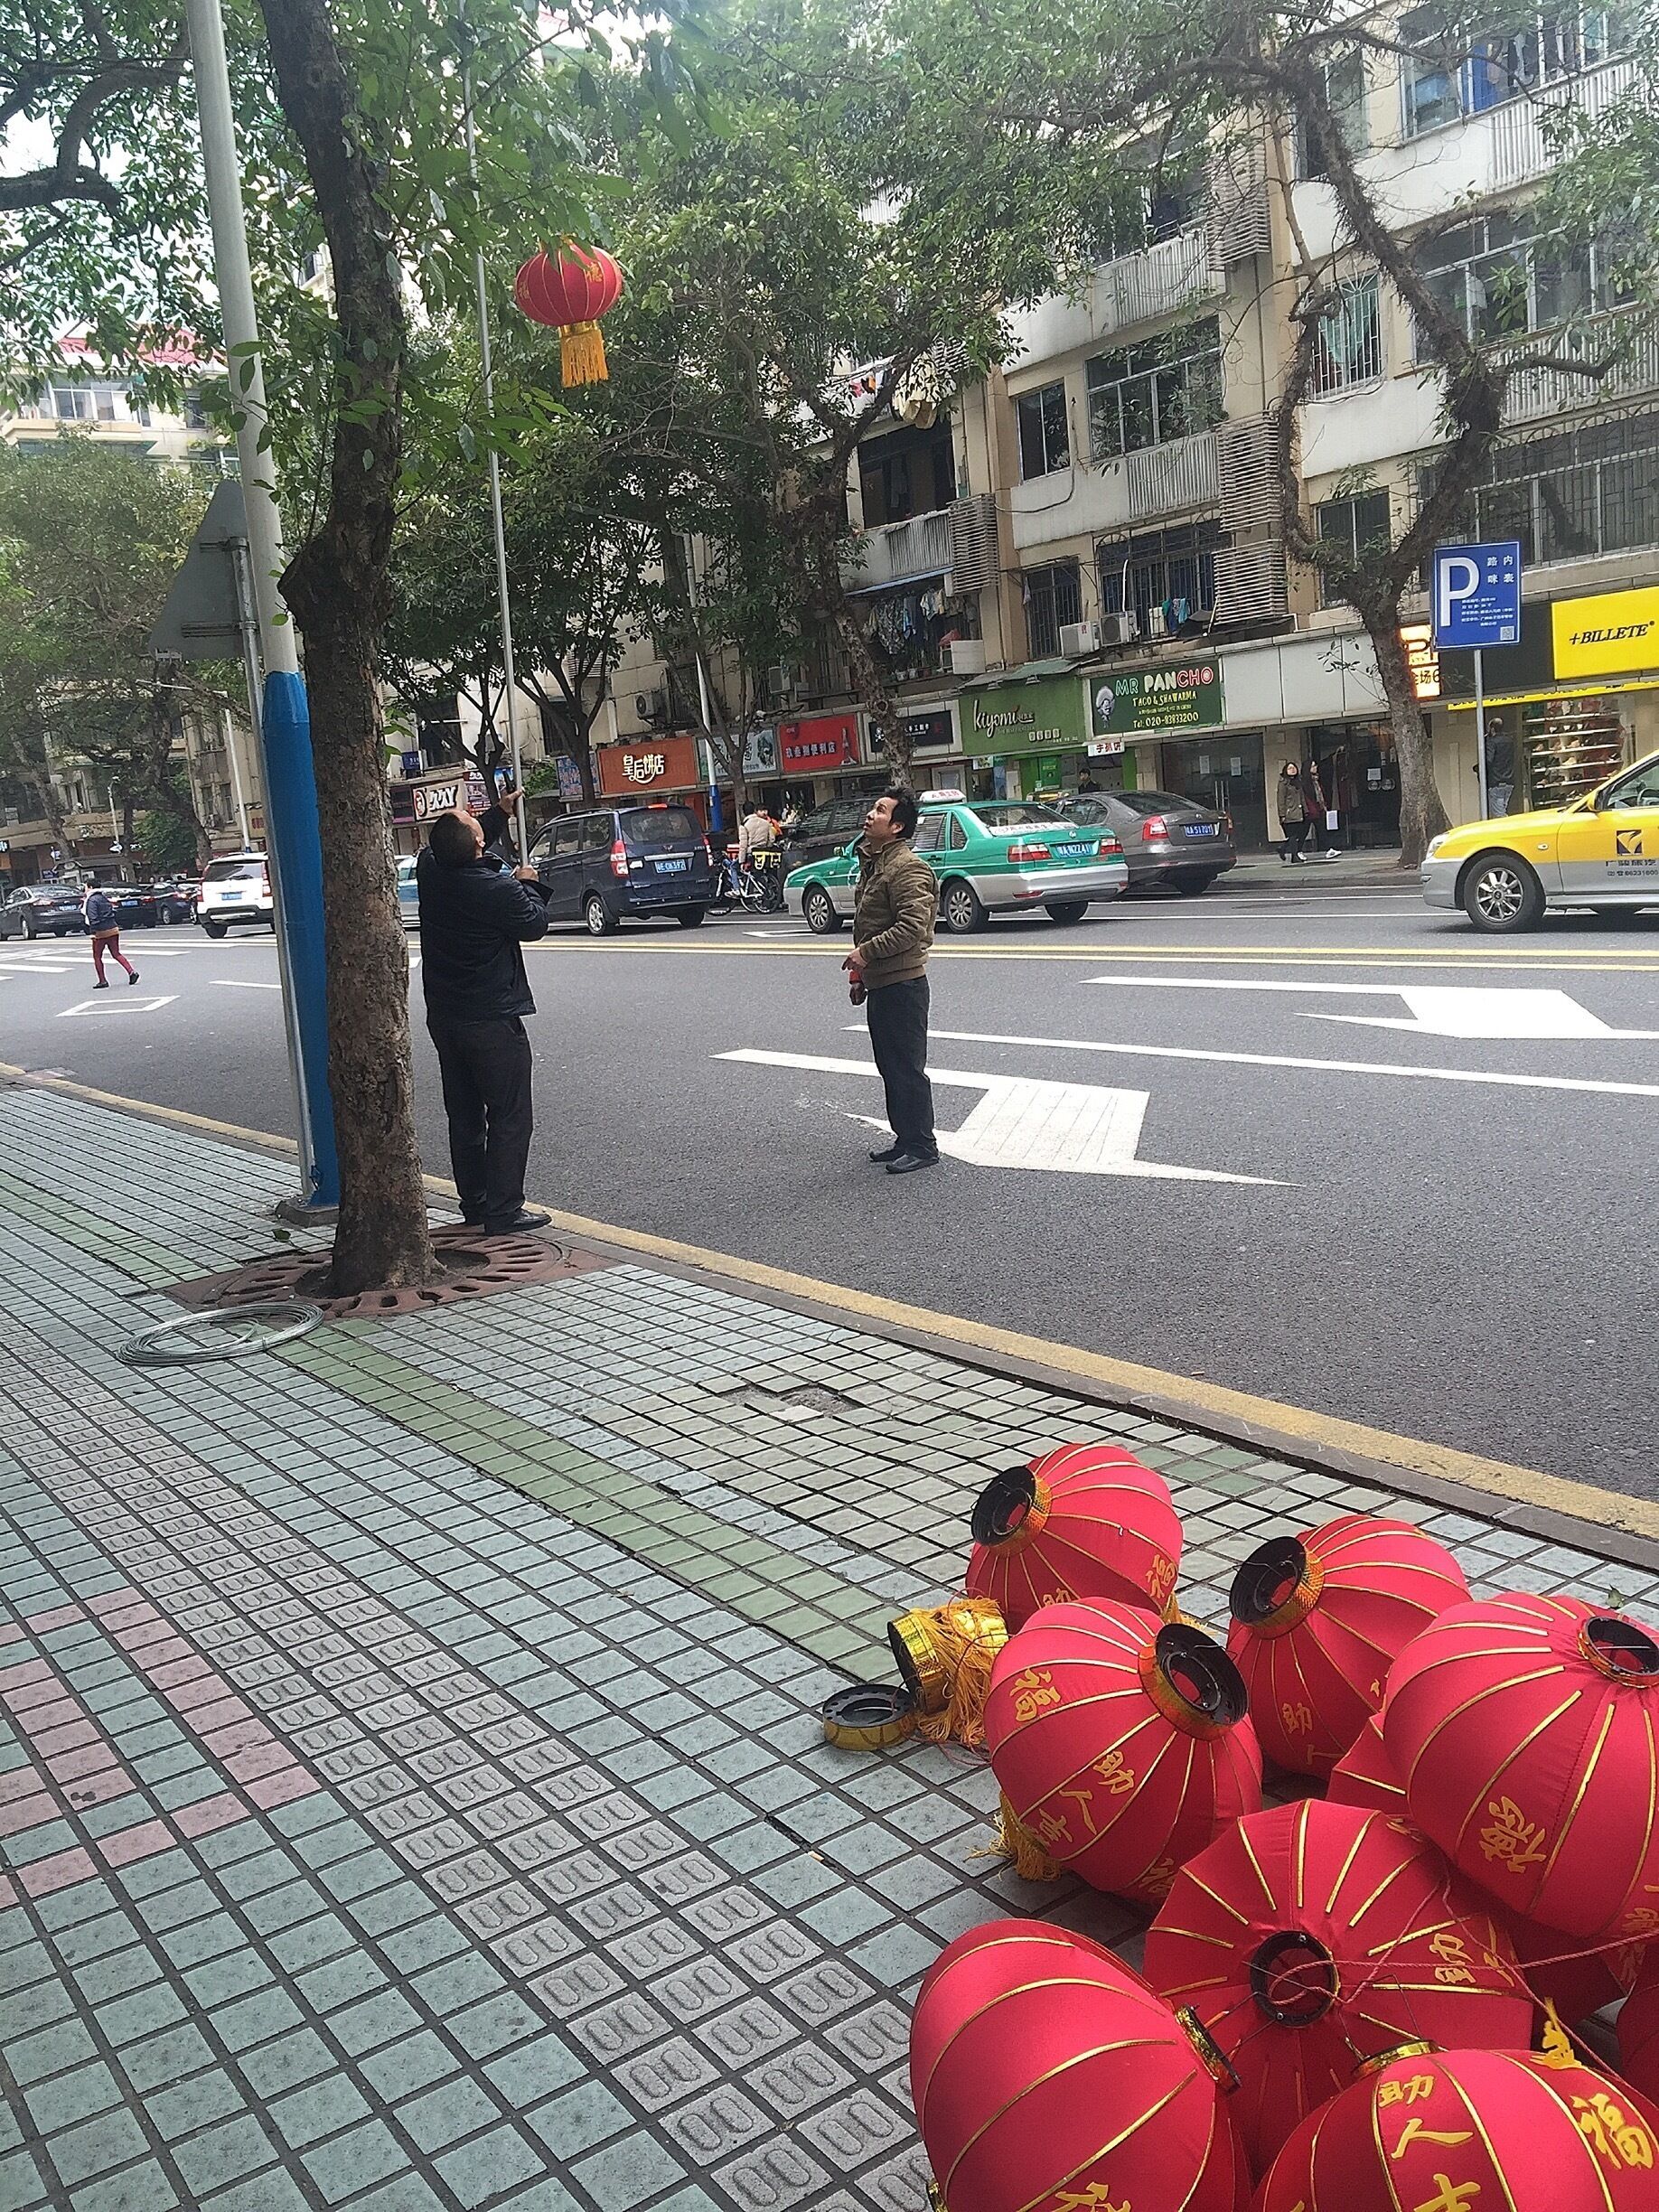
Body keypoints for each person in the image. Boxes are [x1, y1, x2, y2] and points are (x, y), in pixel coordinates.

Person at [417, 809, 552, 1237]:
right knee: (510, 1115)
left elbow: (456, 842)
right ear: (479, 846)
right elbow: (534, 925)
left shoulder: (430, 871)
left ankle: (475, 1203)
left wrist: (497, 815)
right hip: (491, 1018)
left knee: (465, 1114)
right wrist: (528, 883)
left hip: (446, 1016)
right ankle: (505, 1208)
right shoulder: (497, 889)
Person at [845, 787, 939, 1176]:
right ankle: (905, 1139)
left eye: (880, 810)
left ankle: (922, 1145)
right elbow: (872, 922)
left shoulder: (907, 868)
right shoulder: (876, 864)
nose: (870, 815)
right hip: (882, 982)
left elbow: (911, 928)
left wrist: (866, 954)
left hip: (904, 986)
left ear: (897, 826)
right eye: (873, 807)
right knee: (890, 1065)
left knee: (906, 1068)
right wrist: (862, 975)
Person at [83, 884, 137, 988]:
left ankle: (102, 980)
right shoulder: (104, 898)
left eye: (86, 887)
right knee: (116, 953)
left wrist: (93, 932)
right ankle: (131, 971)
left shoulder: (91, 900)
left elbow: (92, 917)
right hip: (113, 928)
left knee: (97, 956)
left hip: (101, 931)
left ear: (90, 887)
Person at [1277, 761, 1309, 862]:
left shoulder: (1298, 782)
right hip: (1289, 813)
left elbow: (1302, 797)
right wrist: (1282, 814)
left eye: (1294, 768)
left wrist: (1306, 810)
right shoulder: (1283, 783)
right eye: (1290, 768)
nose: (1292, 770)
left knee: (1300, 833)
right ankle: (1294, 856)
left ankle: (1283, 848)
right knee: (1292, 835)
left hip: (1299, 812)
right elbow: (1281, 799)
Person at [737, 801, 779, 866]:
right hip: (764, 852)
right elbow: (772, 839)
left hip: (751, 854)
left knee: (733, 867)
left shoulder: (744, 825)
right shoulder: (766, 823)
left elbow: (743, 845)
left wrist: (741, 861)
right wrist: (767, 847)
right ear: (754, 810)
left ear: (743, 812)